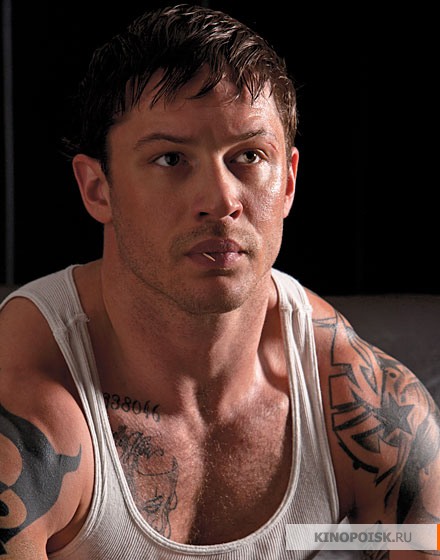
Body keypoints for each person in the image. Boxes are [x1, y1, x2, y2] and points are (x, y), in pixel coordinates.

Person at [0, 4, 439, 559]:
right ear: (97, 189)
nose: (220, 199)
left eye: (249, 156)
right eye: (170, 159)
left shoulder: (361, 403)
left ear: (288, 183)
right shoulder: (28, 410)